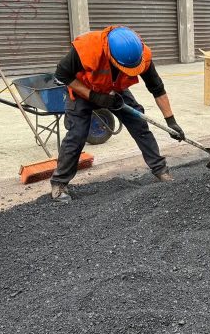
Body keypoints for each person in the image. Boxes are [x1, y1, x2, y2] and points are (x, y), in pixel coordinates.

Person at [50, 26, 186, 203]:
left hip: (115, 91)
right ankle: (59, 183)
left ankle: (161, 170)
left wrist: (171, 121)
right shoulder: (87, 49)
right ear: (110, 55)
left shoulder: (140, 55)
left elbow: (157, 89)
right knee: (77, 135)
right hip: (84, 91)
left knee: (139, 125)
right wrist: (94, 96)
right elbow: (61, 76)